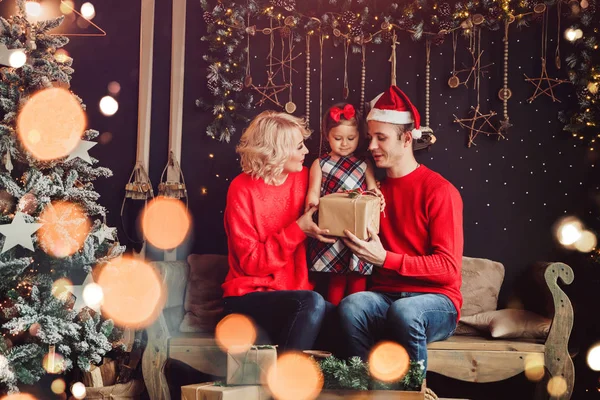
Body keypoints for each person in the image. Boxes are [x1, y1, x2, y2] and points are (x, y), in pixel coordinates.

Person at [339, 86, 464, 372]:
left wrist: (385, 259)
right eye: (370, 137)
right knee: (352, 305)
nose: (371, 146)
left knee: (405, 312)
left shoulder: (439, 191)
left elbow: (447, 268)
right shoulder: (372, 191)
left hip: (437, 302)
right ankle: (365, 388)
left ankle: (409, 392)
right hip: (385, 295)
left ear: (406, 139)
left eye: (381, 138)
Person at [221, 110, 335, 352]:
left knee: (348, 317)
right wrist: (298, 230)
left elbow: (343, 196)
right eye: (299, 146)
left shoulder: (306, 178)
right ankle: (284, 386)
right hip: (247, 298)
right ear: (277, 152)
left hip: (297, 297)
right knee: (311, 303)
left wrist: (372, 194)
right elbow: (252, 264)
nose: (306, 151)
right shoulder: (241, 189)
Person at [305, 102, 384, 306]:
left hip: (357, 227)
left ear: (360, 135)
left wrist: (377, 196)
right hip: (332, 228)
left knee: (358, 276)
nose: (344, 144)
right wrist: (312, 208)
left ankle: (354, 317)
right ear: (327, 135)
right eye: (337, 138)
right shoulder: (320, 164)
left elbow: (372, 189)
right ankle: (333, 319)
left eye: (351, 138)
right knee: (336, 277)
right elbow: (313, 192)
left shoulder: (364, 164)